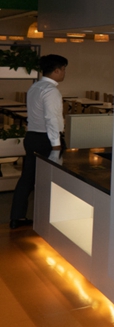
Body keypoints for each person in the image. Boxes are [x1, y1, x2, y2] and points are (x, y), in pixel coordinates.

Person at [9, 54, 67, 230]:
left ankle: (17, 217)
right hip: (46, 140)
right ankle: (49, 218)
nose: (64, 73)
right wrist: (56, 145)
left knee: (27, 178)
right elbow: (51, 119)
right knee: (51, 180)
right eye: (63, 69)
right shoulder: (50, 90)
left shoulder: (35, 87)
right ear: (56, 70)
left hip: (32, 137)